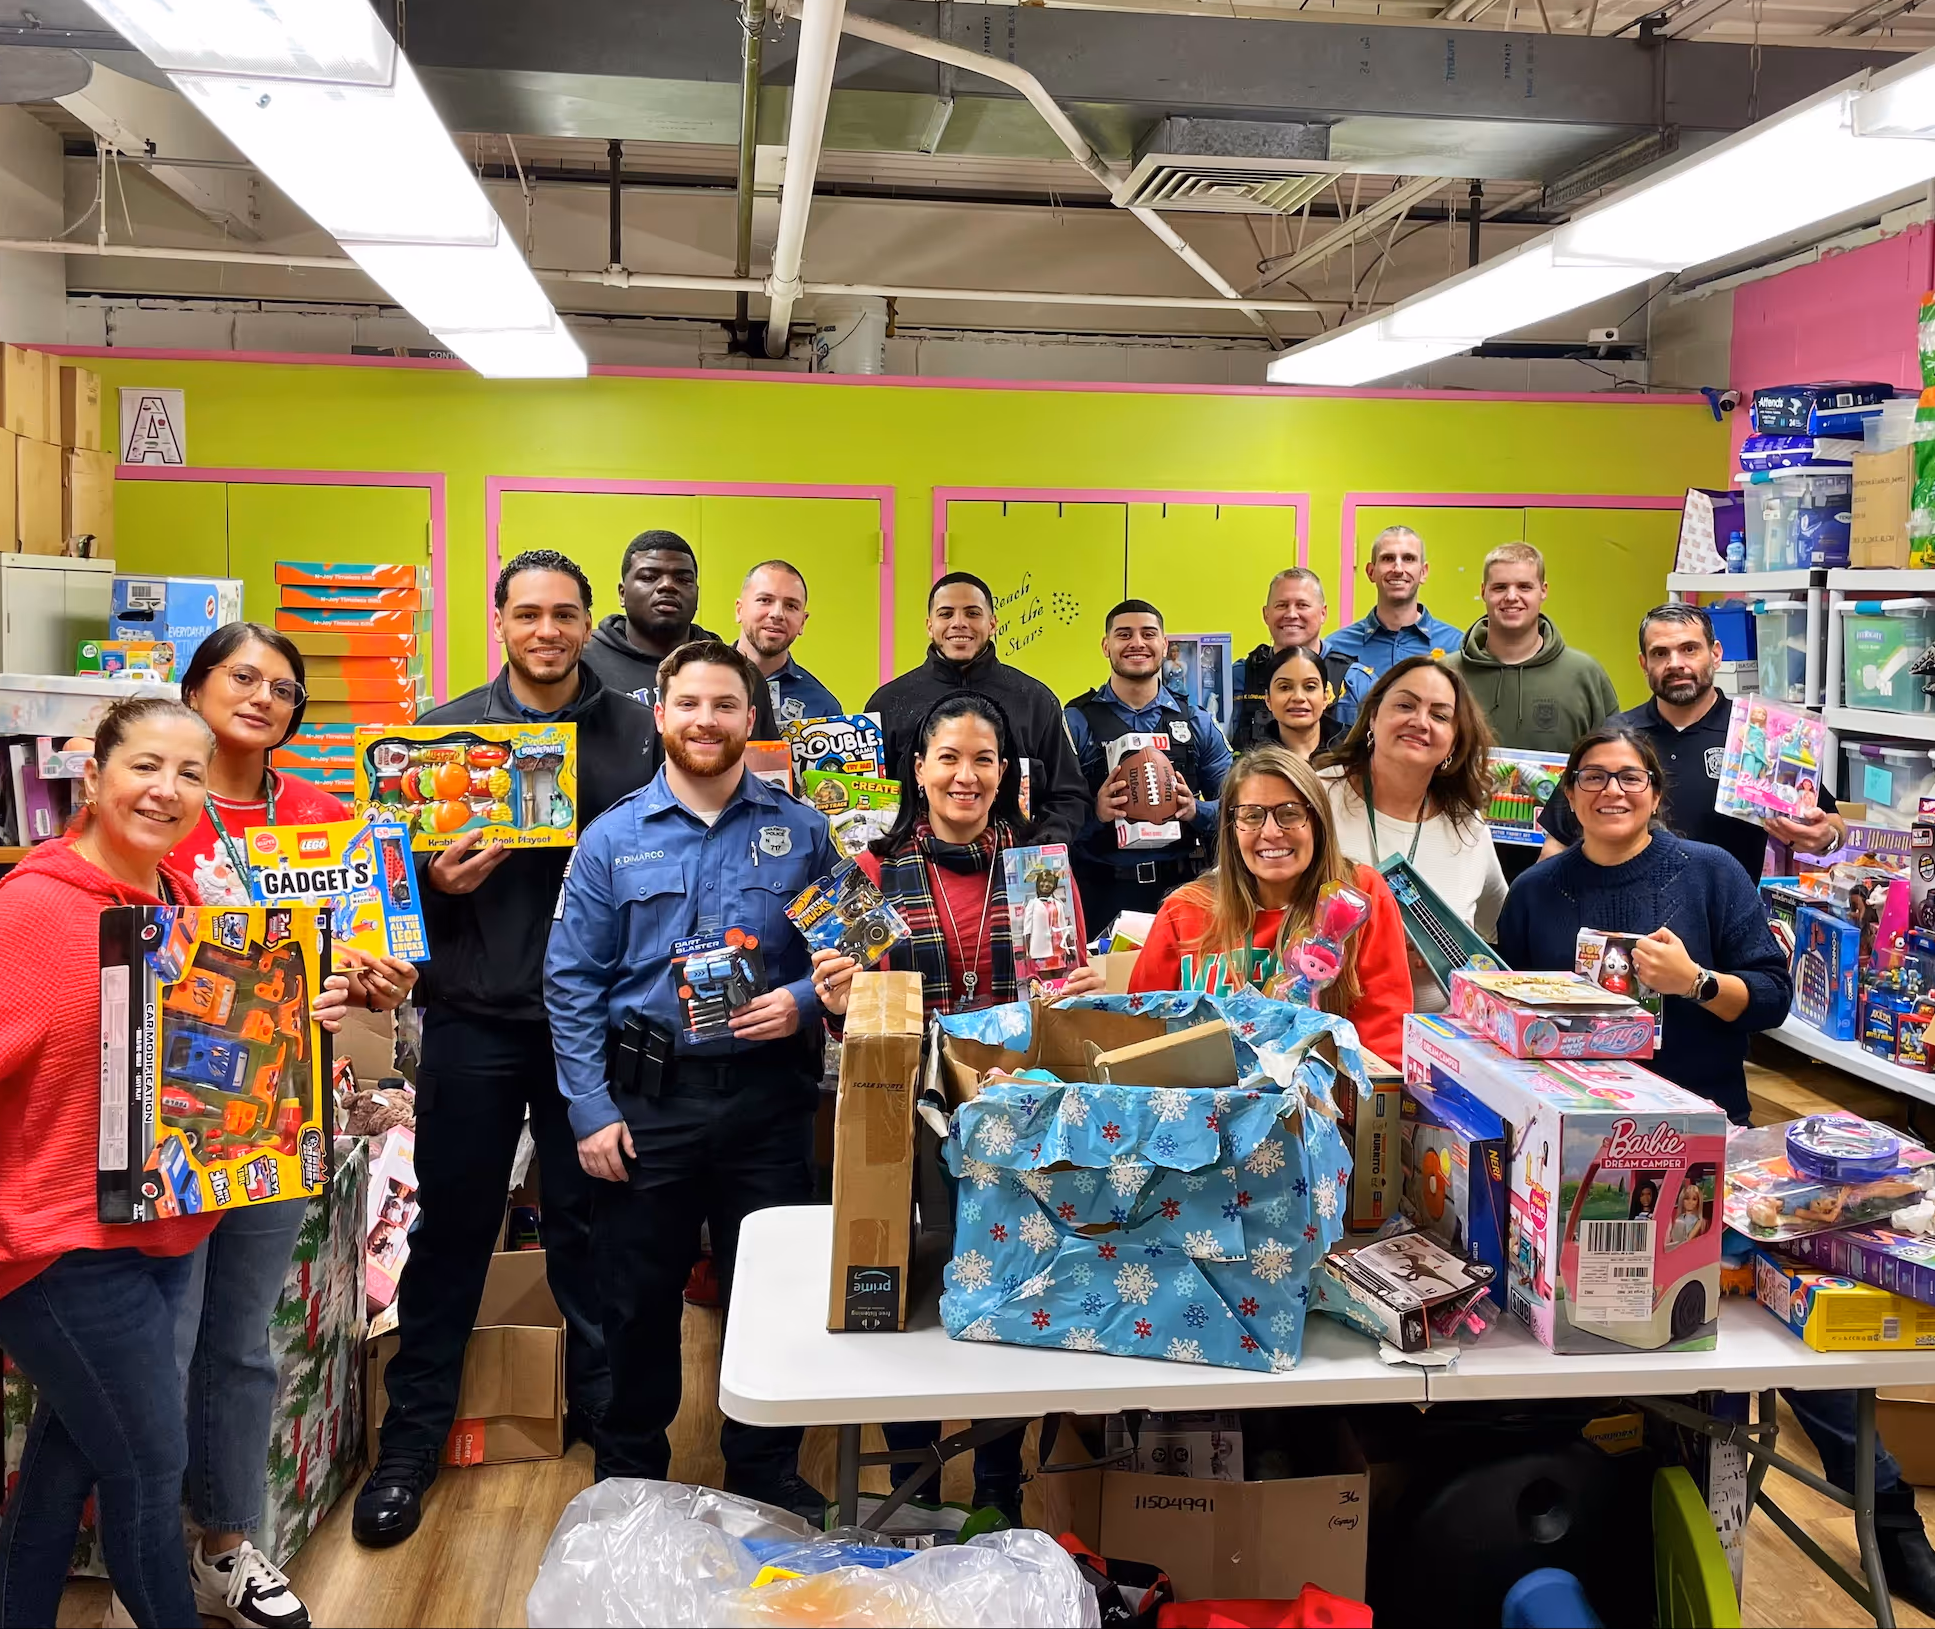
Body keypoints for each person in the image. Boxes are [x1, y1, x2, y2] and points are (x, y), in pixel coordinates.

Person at [1495, 728, 1935, 1628]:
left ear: (1656, 790)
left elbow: (1772, 997)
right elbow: (1515, 1019)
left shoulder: (1711, 875)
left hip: (1710, 1146)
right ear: (1567, 792)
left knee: (1798, 1335)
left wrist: (1694, 982)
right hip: (1578, 1159)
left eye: (1631, 777)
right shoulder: (1537, 893)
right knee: (1573, 1345)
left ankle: (1891, 1523)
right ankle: (1580, 1515)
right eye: (1595, 777)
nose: (1613, 791)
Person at [0, 696, 356, 1628]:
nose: (168, 790)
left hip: (165, 1233)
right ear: (93, 777)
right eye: (145, 766)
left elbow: (212, 1056)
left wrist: (299, 1014)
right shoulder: (37, 910)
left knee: (68, 1463)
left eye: (190, 772)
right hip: (56, 1245)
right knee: (149, 1470)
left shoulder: (179, 901)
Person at [354, 550, 661, 1548]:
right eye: (527, 612)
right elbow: (381, 894)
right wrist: (433, 885)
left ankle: (617, 1437)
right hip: (474, 1022)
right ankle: (411, 1438)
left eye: (564, 613)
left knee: (594, 1236)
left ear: (587, 623)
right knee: (450, 1236)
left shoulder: (636, 729)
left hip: (595, 1029)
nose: (546, 629)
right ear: (498, 621)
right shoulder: (441, 736)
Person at [546, 639, 841, 1516]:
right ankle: (632, 1472)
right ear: (660, 715)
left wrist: (801, 1001)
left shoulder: (803, 831)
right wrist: (590, 1110)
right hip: (648, 1104)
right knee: (636, 1300)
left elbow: (853, 950)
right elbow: (569, 982)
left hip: (765, 1101)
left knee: (772, 1291)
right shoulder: (611, 841)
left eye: (725, 706)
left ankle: (764, 1469)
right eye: (690, 706)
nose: (706, 721)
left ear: (752, 719)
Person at [170, 625, 419, 1627]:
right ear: (192, 686)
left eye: (284, 687)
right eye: (242, 677)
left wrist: (377, 980)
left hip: (286, 1115)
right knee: (153, 1334)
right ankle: (134, 1543)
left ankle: (223, 1547)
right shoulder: (154, 810)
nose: (264, 698)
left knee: (238, 1338)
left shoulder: (326, 821)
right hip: (165, 1119)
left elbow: (373, 972)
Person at [808, 692, 1106, 1522]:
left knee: (1006, 1296)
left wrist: (1084, 985)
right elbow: (848, 1014)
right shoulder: (872, 874)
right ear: (919, 769)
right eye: (949, 759)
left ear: (1007, 775)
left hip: (1015, 1117)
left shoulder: (1043, 868)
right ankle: (913, 1484)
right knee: (908, 1299)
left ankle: (999, 1487)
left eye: (984, 760)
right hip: (899, 1120)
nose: (966, 776)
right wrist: (836, 994)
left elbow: (1063, 993)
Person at [1126, 744, 1420, 1066]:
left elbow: (1383, 1048)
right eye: (1251, 816)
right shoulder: (1184, 910)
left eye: (1290, 813)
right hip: (1206, 1109)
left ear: (1317, 821)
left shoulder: (1358, 897)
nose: (1270, 832)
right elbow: (1138, 1037)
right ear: (1232, 829)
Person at [1535, 603, 1841, 872]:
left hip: (1724, 924)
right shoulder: (1615, 736)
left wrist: (1826, 838)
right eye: (1660, 653)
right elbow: (1558, 841)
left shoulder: (1760, 733)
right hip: (1625, 924)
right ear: (1644, 665)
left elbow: (1831, 823)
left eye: (1689, 649)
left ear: (1716, 654)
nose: (1675, 663)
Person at [1316, 657, 1507, 1012]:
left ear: (1453, 742)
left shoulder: (1468, 827)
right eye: (1405, 705)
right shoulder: (1315, 798)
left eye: (1439, 715)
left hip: (1434, 1045)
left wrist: (1449, 949)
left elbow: (1491, 931)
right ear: (1373, 717)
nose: (1420, 722)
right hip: (1324, 1037)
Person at [863, 573, 1088, 847]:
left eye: (972, 613)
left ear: (992, 623)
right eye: (946, 614)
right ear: (929, 625)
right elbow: (868, 800)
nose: (959, 623)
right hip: (912, 869)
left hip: (1017, 870)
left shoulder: (1036, 701)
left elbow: (1070, 796)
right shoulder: (886, 704)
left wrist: (1043, 845)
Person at [1064, 599, 1234, 937]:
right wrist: (1094, 813)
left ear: (1164, 644)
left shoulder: (1196, 721)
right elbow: (1048, 814)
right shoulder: (1075, 722)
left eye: (1148, 634)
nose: (1137, 643)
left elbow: (1239, 806)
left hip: (1181, 890)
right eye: (1124, 634)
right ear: (1105, 646)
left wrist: (1194, 810)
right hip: (1099, 893)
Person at [580, 528, 778, 739]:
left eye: (683, 579)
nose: (667, 586)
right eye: (649, 577)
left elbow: (766, 765)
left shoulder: (739, 671)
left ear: (697, 594)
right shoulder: (582, 666)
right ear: (622, 593)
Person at [1448, 543, 1618, 753]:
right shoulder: (1447, 673)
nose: (1511, 597)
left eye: (1524, 587)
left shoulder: (1585, 675)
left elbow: (1612, 758)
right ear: (1483, 592)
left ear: (1543, 591)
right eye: (1500, 587)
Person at [1324, 525, 1464, 688]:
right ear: (1371, 572)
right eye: (1388, 558)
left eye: (1408, 559)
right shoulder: (1337, 648)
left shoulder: (1456, 647)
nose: (1398, 569)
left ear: (1423, 572)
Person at [1232, 569, 1353, 748]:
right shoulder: (1237, 677)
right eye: (1281, 605)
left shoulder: (1354, 681)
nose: (1291, 614)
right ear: (1266, 614)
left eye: (1302, 605)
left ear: (1323, 613)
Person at [734, 558, 845, 728]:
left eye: (791, 606)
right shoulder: (697, 682)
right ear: (739, 610)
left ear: (802, 622)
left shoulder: (823, 708)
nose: (777, 614)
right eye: (765, 600)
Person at [1262, 644, 1345, 760]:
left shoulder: (1352, 752)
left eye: (1310, 687)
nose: (1298, 697)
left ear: (1325, 697)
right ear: (1268, 699)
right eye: (1285, 687)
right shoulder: (1255, 763)